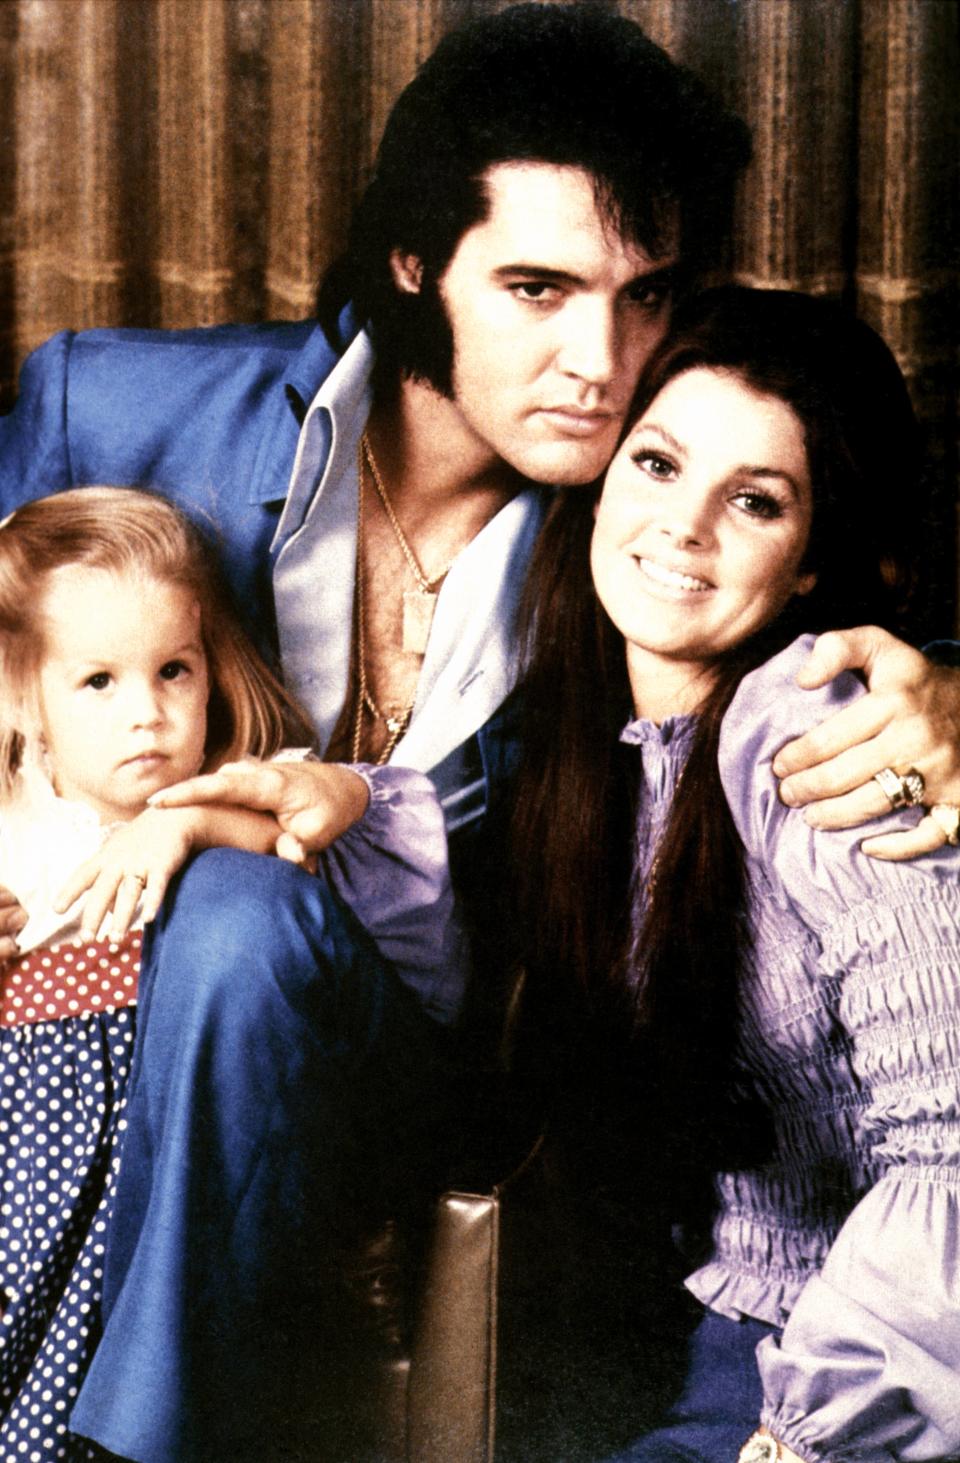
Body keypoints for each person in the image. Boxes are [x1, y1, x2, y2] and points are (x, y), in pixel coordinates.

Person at [0, 3, 957, 1457]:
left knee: (248, 907)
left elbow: (853, 594)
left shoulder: (642, 519)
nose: (603, 357)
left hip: (410, 1075)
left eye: (644, 297)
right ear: (412, 261)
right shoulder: (113, 407)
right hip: (75, 1006)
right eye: (537, 288)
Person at [508, 286, 960, 1463]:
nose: (683, 527)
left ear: (813, 563)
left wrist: (810, 1434)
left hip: (863, 1374)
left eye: (754, 501)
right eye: (657, 464)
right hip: (701, 1332)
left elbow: (953, 1147)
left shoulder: (823, 730)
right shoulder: (592, 738)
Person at [0, 487, 459, 1462]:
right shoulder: (15, 832)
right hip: (31, 1164)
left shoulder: (231, 795)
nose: (149, 716)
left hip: (148, 1161)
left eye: (175, 670)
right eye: (99, 683)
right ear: (22, 694)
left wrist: (186, 821)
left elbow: (276, 850)